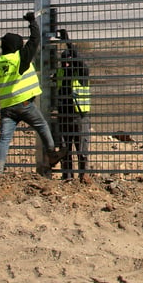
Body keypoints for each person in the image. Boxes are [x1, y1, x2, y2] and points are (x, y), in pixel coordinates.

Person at [0, 10, 63, 176]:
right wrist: (32, 21)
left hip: (7, 107)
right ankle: (52, 154)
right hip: (23, 104)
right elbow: (35, 40)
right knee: (42, 125)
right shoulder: (19, 60)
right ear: (16, 47)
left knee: (4, 139)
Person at [52, 30, 92, 182]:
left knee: (82, 148)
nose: (67, 63)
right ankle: (67, 177)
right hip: (64, 115)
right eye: (64, 60)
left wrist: (68, 41)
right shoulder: (61, 72)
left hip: (79, 115)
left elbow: (77, 59)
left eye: (69, 60)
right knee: (65, 149)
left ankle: (84, 176)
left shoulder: (81, 72)